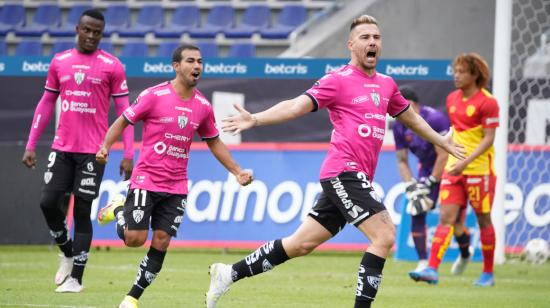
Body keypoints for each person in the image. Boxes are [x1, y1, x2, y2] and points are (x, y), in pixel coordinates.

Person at [205, 15, 465, 308]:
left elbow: (412, 119)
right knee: (385, 235)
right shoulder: (337, 80)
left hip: (356, 177)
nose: (372, 42)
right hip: (343, 172)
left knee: (300, 244)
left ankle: (228, 273)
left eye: (376, 38)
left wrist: (440, 141)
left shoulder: (387, 85)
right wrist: (255, 118)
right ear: (351, 45)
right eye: (365, 37)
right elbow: (295, 106)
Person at [95, 43, 254, 308]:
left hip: (177, 185)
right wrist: (105, 146)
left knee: (162, 240)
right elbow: (124, 120)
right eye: (191, 61)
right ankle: (120, 208)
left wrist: (237, 171)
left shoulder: (203, 106)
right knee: (135, 240)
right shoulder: (153, 95)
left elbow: (214, 141)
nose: (197, 66)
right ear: (176, 66)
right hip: (147, 178)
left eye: (200, 61)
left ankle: (131, 297)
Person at [21, 9, 134, 293]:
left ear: (102, 34)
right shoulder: (60, 62)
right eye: (87, 30)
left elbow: (126, 115)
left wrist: (129, 153)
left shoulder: (112, 66)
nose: (91, 36)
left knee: (82, 211)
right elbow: (46, 103)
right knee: (48, 203)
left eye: (97, 32)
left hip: (94, 153)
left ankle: (76, 280)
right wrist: (31, 144)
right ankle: (67, 251)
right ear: (77, 29)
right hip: (62, 149)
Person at [408, 52, 499, 286]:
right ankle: (432, 269)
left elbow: (488, 139)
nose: (456, 76)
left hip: (478, 170)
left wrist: (465, 163)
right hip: (453, 168)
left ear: (474, 74)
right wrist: (451, 157)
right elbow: (455, 133)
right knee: (446, 218)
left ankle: (487, 273)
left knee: (483, 220)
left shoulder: (488, 102)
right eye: (455, 71)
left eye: (461, 72)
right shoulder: (452, 99)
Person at [393, 87, 471, 273]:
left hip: (450, 167)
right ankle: (423, 262)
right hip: (426, 169)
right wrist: (411, 184)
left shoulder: (435, 119)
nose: (401, 112)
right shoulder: (398, 125)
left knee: (453, 221)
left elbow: (443, 154)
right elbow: (402, 159)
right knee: (416, 207)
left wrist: (431, 181)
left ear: (415, 105)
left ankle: (465, 255)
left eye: (405, 106)